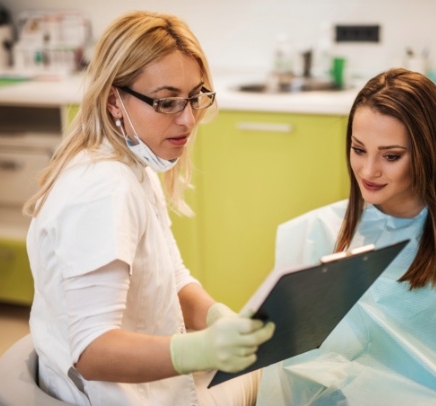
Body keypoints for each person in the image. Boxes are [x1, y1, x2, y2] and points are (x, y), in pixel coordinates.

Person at [23, 10, 274, 406]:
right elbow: (93, 352)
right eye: (167, 102)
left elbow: (172, 277)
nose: (189, 119)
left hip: (146, 381)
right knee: (286, 379)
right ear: (115, 101)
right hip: (114, 394)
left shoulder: (134, 162)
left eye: (195, 97)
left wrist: (216, 318)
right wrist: (200, 350)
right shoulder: (103, 189)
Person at [256, 68, 436, 405]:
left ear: (427, 153)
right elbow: (291, 363)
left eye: (391, 156)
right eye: (358, 149)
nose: (368, 171)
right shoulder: (320, 234)